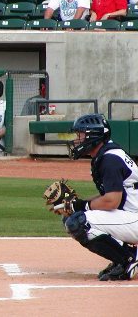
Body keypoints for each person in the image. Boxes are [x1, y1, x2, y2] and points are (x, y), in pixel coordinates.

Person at [62, 114, 138, 281]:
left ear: (93, 136)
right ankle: (125, 255)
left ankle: (127, 260)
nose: (77, 140)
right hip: (131, 216)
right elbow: (110, 198)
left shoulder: (110, 159)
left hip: (134, 219)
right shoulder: (107, 154)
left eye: (81, 135)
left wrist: (82, 206)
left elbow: (112, 200)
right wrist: (78, 205)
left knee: (79, 223)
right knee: (72, 217)